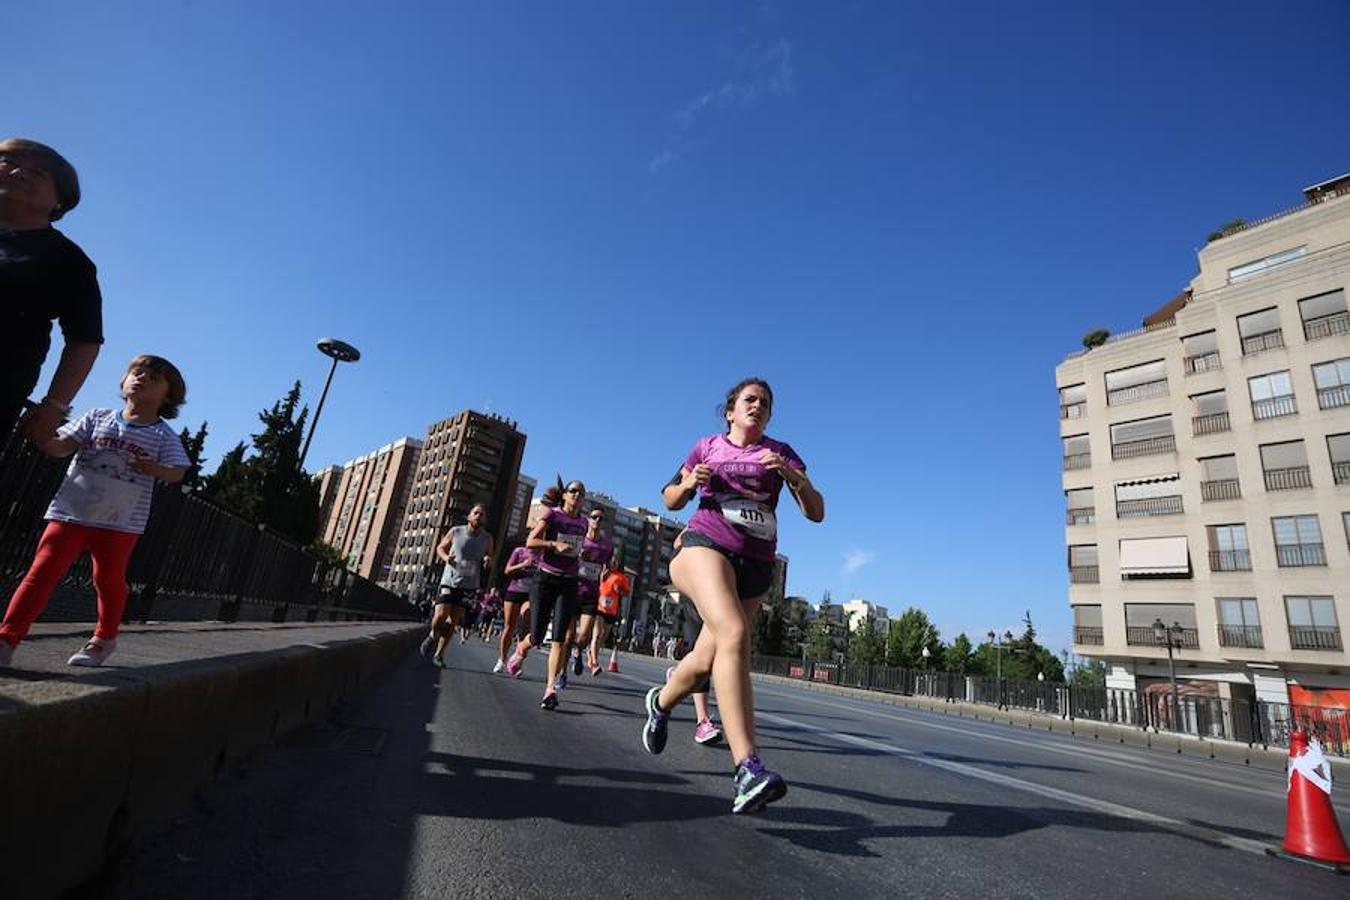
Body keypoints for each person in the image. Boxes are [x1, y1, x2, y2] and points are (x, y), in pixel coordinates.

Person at [640, 377, 824, 814]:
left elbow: (816, 512)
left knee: (708, 658)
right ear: (730, 411)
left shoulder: (782, 453)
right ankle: (747, 768)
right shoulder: (706, 447)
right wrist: (688, 486)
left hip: (756, 565)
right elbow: (669, 498)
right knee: (735, 632)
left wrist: (794, 478)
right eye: (749, 400)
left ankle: (661, 702)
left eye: (765, 403)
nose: (757, 406)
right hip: (703, 546)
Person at [0, 355, 190, 668]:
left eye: (154, 378)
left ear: (168, 396)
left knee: (107, 579)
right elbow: (63, 446)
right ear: (124, 381)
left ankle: (103, 638)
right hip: (69, 512)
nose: (142, 378)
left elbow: (177, 472)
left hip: (121, 522)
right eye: (137, 372)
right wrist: (44, 438)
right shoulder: (97, 417)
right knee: (41, 573)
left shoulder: (163, 435)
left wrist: (156, 468)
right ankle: (7, 639)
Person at [1, 139, 103, 443]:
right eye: (8, 161)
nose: (19, 172)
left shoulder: (68, 261)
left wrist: (55, 405)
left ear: (60, 200)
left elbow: (84, 341)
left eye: (38, 173)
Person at [505, 479, 587, 711]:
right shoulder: (552, 515)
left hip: (569, 582)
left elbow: (578, 548)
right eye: (573, 491)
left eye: (581, 493)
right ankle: (522, 649)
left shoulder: (583, 523)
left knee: (560, 637)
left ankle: (550, 689)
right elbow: (531, 541)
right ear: (564, 496)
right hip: (545, 578)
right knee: (537, 635)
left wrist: (583, 555)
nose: (577, 495)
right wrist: (553, 545)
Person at [419, 503, 494, 668]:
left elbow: (489, 555)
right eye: (476, 513)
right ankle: (433, 635)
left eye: (482, 514)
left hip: (469, 585)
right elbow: (440, 548)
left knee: (453, 621)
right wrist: (446, 558)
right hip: (450, 580)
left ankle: (439, 655)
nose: (479, 516)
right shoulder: (456, 531)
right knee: (440, 614)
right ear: (469, 516)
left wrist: (488, 559)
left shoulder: (487, 538)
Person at [568, 507, 612, 679]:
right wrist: (577, 555)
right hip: (572, 589)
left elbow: (608, 563)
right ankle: (562, 673)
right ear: (588, 519)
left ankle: (578, 651)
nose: (597, 521)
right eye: (594, 517)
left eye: (601, 518)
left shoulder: (607, 545)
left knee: (585, 634)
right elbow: (566, 557)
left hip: (591, 593)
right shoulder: (580, 540)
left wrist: (606, 572)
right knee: (569, 635)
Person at [495, 543, 538, 673]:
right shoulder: (519, 551)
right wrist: (523, 565)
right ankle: (502, 659)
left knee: (525, 626)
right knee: (509, 626)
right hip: (514, 591)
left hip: (530, 594)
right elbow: (507, 570)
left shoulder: (543, 555)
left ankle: (517, 662)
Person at [589, 553, 629, 674]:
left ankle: (592, 652)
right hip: (599, 608)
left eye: (616, 561)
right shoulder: (603, 573)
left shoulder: (622, 577)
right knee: (597, 634)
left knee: (603, 636)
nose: (614, 563)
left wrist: (620, 590)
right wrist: (601, 579)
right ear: (608, 562)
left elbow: (626, 593)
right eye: (613, 560)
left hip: (612, 611)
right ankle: (594, 662)